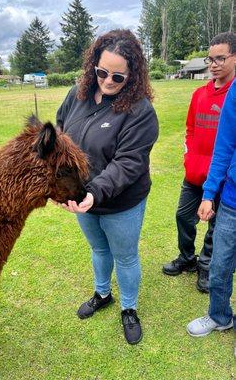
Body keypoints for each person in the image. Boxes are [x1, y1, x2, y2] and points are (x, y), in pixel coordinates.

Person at [56, 29, 158, 344]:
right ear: (93, 67)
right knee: (99, 249)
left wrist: (93, 192)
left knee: (125, 256)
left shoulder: (140, 111)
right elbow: (59, 131)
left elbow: (128, 163)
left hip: (121, 201)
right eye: (102, 72)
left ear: (134, 75)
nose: (108, 81)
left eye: (118, 76)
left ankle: (129, 308)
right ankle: (103, 294)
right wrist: (61, 185)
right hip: (83, 199)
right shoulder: (77, 94)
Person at [163, 32, 236, 293]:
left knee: (215, 227)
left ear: (234, 58)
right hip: (194, 175)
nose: (214, 64)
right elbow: (190, 129)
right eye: (210, 58)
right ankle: (186, 258)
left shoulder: (233, 95)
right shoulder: (198, 94)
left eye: (221, 58)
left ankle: (205, 267)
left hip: (222, 179)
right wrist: (189, 158)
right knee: (183, 216)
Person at [187, 78, 236, 337]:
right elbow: (224, 146)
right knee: (219, 266)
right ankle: (220, 316)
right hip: (231, 200)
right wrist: (208, 193)